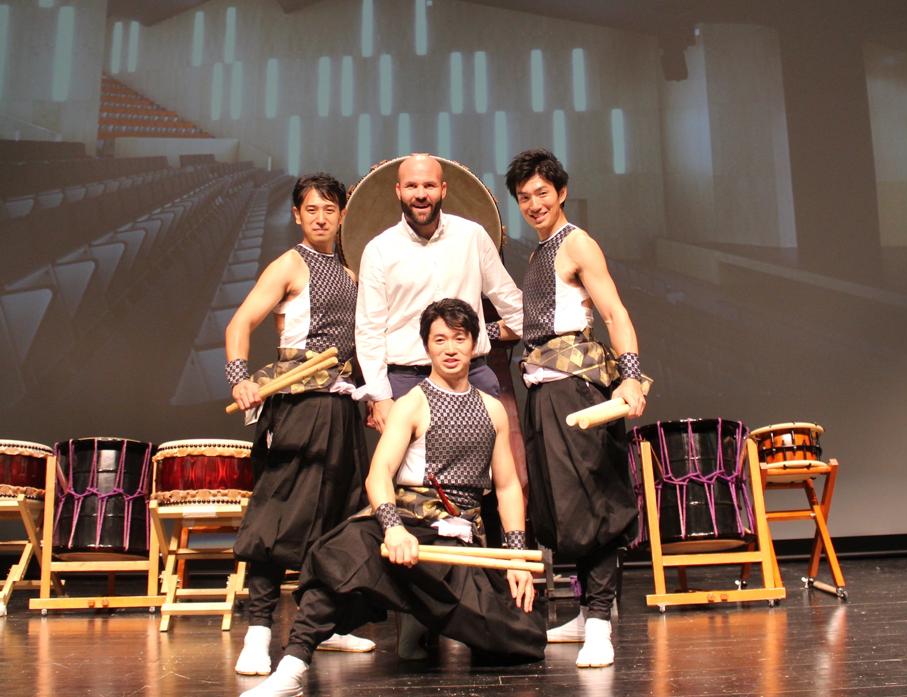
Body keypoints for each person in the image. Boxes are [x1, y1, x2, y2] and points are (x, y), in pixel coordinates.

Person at [242, 299, 545, 697]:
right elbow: (379, 475)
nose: (450, 348)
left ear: (474, 345)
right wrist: (394, 529)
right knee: (343, 550)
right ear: (427, 347)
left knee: (523, 638)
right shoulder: (411, 404)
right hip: (409, 530)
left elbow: (506, 487)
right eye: (440, 340)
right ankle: (291, 669)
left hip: (459, 547)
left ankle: (423, 619)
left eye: (459, 339)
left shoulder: (493, 410)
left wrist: (516, 560)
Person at [224, 173, 375, 676]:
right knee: (276, 518)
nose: (320, 218)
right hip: (294, 404)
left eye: (330, 209)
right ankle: (260, 630)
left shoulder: (353, 272)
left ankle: (327, 626)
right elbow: (239, 324)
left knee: (337, 518)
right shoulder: (289, 265)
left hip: (340, 406)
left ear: (342, 215)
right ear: (296, 215)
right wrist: (240, 380)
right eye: (311, 209)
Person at [505, 149, 647, 668]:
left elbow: (614, 312)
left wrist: (631, 376)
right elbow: (540, 320)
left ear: (561, 193)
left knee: (594, 499)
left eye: (542, 193)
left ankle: (603, 621)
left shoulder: (577, 243)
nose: (534, 203)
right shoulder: (540, 252)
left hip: (579, 386)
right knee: (562, 506)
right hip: (544, 389)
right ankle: (588, 613)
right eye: (524, 197)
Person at [354, 154, 524, 433]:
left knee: (480, 475)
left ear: (443, 189)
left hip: (472, 376)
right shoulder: (379, 249)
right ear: (398, 190)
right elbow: (369, 330)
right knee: (414, 477)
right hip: (407, 381)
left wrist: (540, 350)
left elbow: (509, 301)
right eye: (411, 186)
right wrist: (381, 396)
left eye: (429, 186)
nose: (420, 194)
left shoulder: (472, 236)